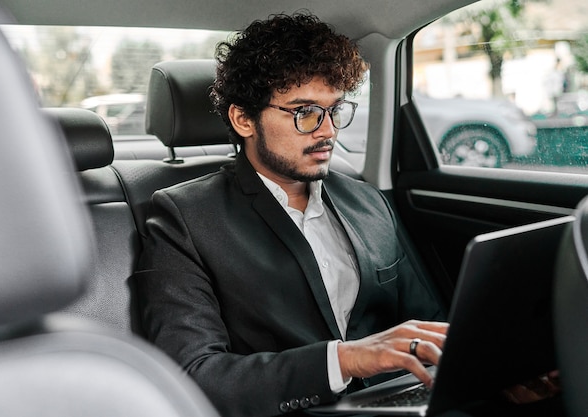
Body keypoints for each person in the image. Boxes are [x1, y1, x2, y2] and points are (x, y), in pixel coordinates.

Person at [136, 12, 448, 417]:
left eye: (334, 110)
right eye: (305, 113)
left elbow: (431, 324)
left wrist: (488, 375)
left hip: (408, 401)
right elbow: (193, 374)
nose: (328, 131)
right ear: (244, 119)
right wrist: (345, 360)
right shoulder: (185, 218)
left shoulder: (368, 201)